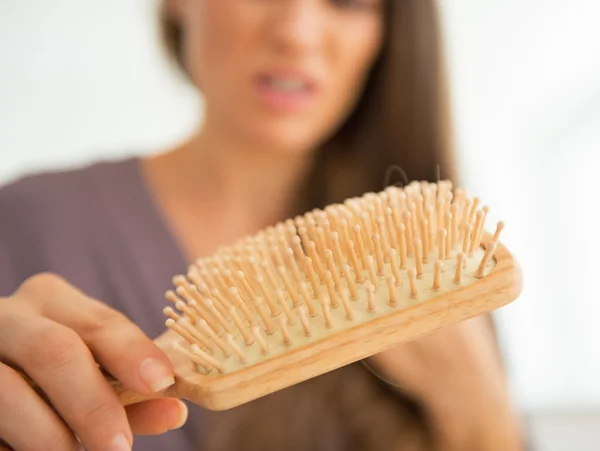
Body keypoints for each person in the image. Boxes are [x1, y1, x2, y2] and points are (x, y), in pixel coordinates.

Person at [0, 0, 526, 450]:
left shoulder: (431, 260)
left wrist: (479, 413)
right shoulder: (28, 224)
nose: (297, 31)